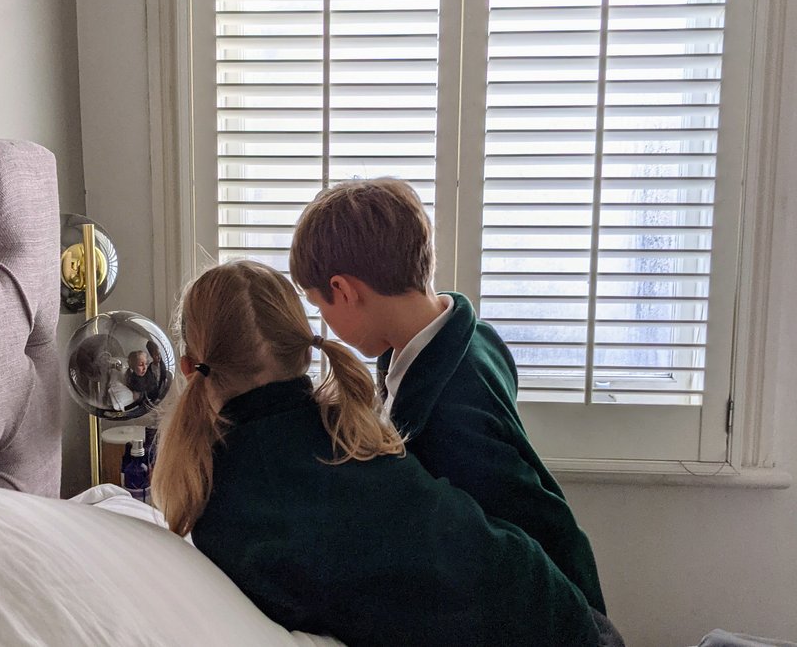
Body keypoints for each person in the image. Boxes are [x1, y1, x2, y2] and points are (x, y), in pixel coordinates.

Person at [151, 259, 605, 647]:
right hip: (557, 605)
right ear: (305, 352)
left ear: (190, 368)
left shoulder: (227, 506)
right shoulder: (348, 429)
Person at [289, 178, 609, 619]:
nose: (323, 323)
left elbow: (490, 559)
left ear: (344, 290)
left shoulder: (447, 413)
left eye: (319, 306)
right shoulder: (471, 337)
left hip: (551, 607)